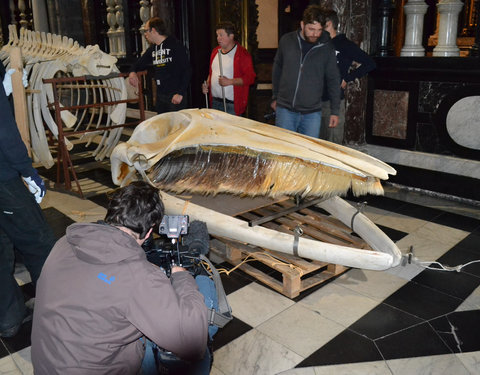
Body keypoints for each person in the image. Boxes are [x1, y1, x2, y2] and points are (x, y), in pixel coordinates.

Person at [31, 181, 209, 374]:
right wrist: (181, 277)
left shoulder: (64, 242)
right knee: (202, 309)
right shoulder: (139, 276)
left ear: (111, 214)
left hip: (46, 366)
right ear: (149, 231)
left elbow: (104, 281)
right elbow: (192, 344)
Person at [0, 62, 56, 338]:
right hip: (3, 178)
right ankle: (54, 310)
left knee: (1, 247)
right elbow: (4, 131)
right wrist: (27, 170)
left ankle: (8, 318)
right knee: (39, 241)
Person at [271, 5, 341, 138]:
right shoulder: (287, 41)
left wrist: (335, 111)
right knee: (285, 151)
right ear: (302, 25)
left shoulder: (327, 48)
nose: (315, 34)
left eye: (319, 30)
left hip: (312, 113)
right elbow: (277, 68)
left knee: (308, 154)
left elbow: (333, 78)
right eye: (311, 29)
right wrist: (275, 97)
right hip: (285, 110)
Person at [320, 9, 376, 144]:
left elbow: (370, 63)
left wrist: (347, 78)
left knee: (332, 145)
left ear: (328, 24)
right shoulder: (319, 44)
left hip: (332, 102)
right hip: (314, 102)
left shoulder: (344, 44)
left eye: (319, 25)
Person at [128, 17, 191, 114]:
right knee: (163, 126)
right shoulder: (153, 49)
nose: (145, 35)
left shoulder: (175, 45)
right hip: (161, 95)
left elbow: (187, 70)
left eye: (146, 31)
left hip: (175, 94)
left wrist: (180, 93)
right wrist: (132, 72)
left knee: (176, 127)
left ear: (153, 30)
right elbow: (139, 63)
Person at [202, 22, 256, 116]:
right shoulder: (215, 51)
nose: (218, 38)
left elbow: (250, 78)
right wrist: (207, 84)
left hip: (231, 105)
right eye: (217, 35)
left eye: (221, 35)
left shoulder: (242, 54)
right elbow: (212, 73)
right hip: (215, 102)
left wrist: (230, 81)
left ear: (231, 36)